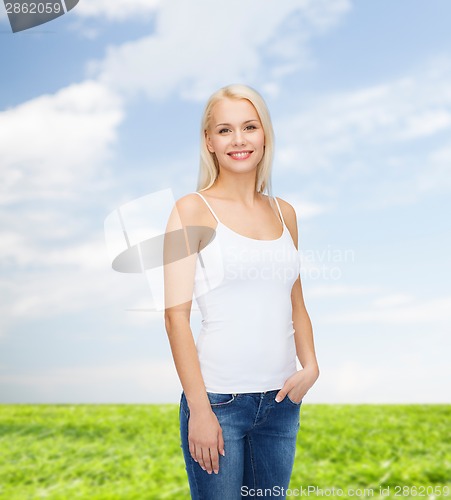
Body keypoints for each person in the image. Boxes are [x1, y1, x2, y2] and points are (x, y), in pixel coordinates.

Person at [163, 84, 319, 499]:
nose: (239, 140)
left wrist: (312, 365)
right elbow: (175, 316)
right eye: (225, 130)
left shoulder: (284, 212)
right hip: (219, 403)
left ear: (264, 134)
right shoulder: (191, 210)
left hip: (282, 403)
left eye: (249, 127)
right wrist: (199, 409)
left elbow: (295, 301)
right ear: (209, 142)